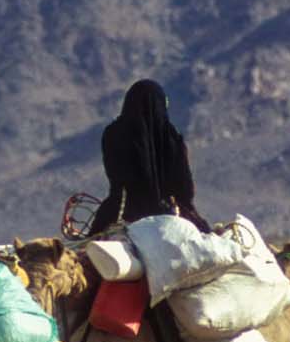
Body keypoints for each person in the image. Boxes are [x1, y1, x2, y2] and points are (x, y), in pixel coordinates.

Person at [86, 79, 209, 235]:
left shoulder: (113, 133)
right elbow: (184, 187)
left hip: (122, 210)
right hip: (171, 211)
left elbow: (115, 176)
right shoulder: (171, 137)